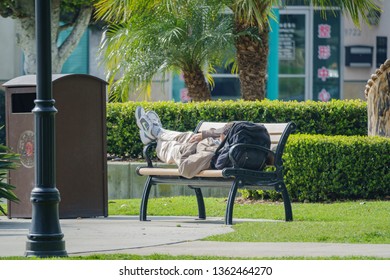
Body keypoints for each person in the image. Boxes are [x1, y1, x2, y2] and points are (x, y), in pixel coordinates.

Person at [135, 106, 233, 178]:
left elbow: (184, 168)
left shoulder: (210, 154)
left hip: (184, 153)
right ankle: (156, 132)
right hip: (197, 146)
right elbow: (230, 128)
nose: (219, 134)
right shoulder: (227, 143)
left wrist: (192, 146)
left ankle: (154, 133)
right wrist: (204, 135)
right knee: (189, 135)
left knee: (170, 147)